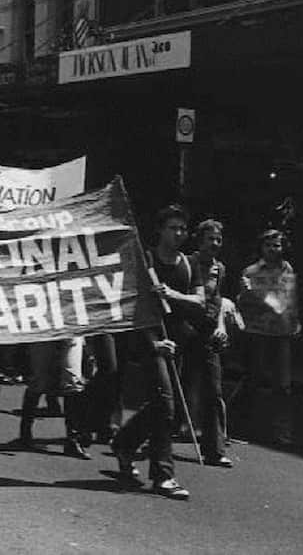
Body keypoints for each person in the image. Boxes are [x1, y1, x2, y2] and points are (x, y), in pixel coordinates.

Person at [111, 205, 200, 500]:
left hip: (177, 342)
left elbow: (199, 300)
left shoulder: (189, 264)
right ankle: (164, 475)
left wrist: (172, 295)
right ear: (160, 230)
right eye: (173, 228)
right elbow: (132, 306)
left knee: (165, 407)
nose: (179, 234)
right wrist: (153, 344)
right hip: (150, 341)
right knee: (165, 402)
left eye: (183, 229)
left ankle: (124, 441)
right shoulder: (144, 259)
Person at [238, 229, 300, 445]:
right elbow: (243, 303)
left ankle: (282, 432)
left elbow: (289, 300)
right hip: (258, 331)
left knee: (283, 385)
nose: (274, 249)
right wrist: (259, 299)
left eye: (278, 245)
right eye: (269, 245)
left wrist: (294, 319)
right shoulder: (250, 272)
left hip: (282, 332)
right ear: (261, 247)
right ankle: (242, 426)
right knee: (253, 379)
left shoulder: (288, 270)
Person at [182, 219, 231, 466]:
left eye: (218, 240)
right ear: (199, 241)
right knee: (179, 387)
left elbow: (218, 299)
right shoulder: (187, 263)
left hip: (208, 333)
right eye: (210, 239)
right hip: (184, 330)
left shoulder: (219, 269)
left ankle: (215, 449)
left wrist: (221, 326)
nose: (214, 244)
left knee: (214, 389)